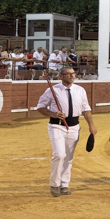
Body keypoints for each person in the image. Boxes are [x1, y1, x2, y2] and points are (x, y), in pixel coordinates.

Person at [35, 66, 97, 197]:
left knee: (68, 157)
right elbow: (40, 107)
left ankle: (64, 184)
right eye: (68, 74)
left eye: (73, 73)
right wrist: (53, 114)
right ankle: (54, 184)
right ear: (61, 76)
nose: (72, 76)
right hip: (57, 125)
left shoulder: (80, 90)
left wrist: (91, 125)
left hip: (74, 126)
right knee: (59, 154)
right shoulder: (52, 90)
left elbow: (86, 109)